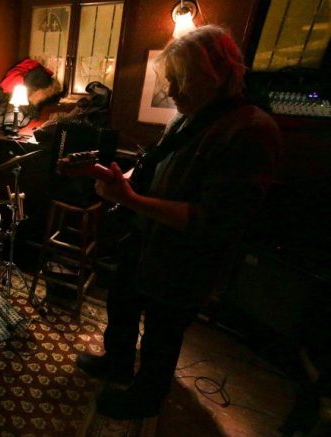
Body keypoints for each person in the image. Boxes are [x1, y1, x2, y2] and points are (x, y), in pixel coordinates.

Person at [67, 25, 282, 419]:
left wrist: (131, 199)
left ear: (217, 73)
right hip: (146, 240)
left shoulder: (250, 130)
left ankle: (146, 396)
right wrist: (117, 179)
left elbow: (212, 218)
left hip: (185, 259)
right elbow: (156, 173)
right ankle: (117, 362)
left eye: (181, 81)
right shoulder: (188, 118)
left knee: (162, 335)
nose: (172, 91)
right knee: (123, 304)